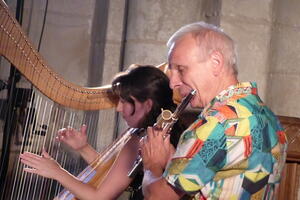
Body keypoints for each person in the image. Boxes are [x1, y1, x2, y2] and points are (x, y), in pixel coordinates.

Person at [141, 22, 288, 200]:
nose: (173, 83)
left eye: (181, 69)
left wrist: (151, 166)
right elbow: (216, 174)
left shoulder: (217, 121)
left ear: (216, 63)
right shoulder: (266, 115)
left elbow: (158, 197)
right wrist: (173, 159)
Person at [20, 65, 185, 200]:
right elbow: (115, 174)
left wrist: (57, 172)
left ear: (147, 105)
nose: (119, 108)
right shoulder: (162, 131)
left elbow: (99, 197)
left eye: (123, 101)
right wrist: (83, 148)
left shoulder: (140, 140)